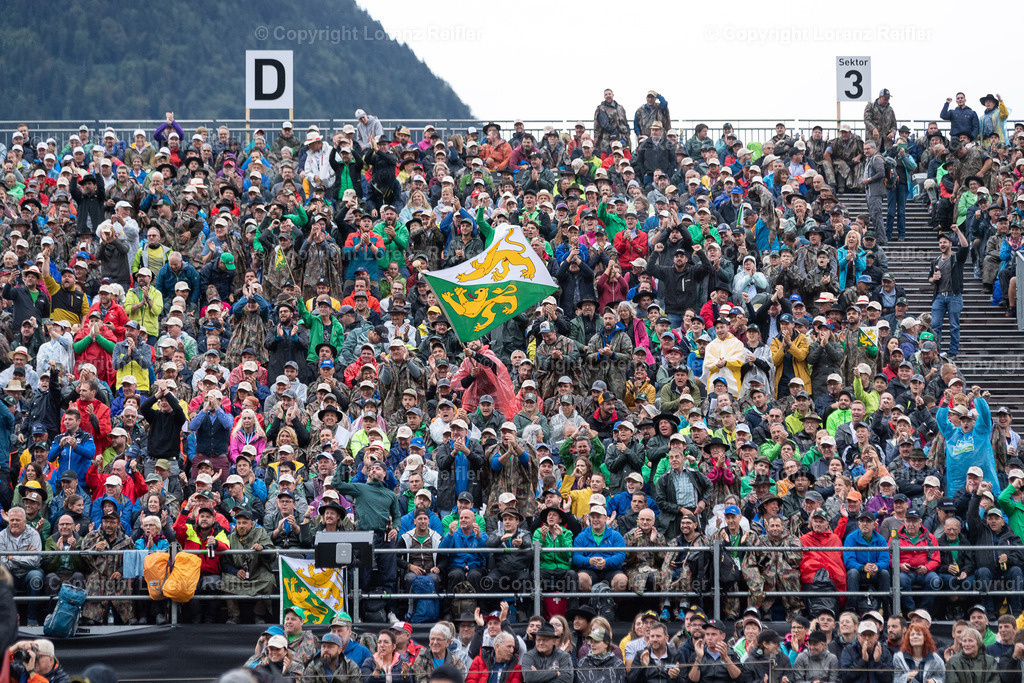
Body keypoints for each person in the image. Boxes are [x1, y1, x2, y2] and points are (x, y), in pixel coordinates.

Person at [928, 225, 970, 359]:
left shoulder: (957, 258)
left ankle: (953, 352)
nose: (942, 244)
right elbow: (929, 279)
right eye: (940, 242)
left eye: (945, 242)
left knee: (954, 326)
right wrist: (933, 279)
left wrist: (957, 231)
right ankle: (937, 351)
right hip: (939, 296)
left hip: (954, 296)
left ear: (950, 243)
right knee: (935, 326)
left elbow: (965, 246)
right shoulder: (936, 261)